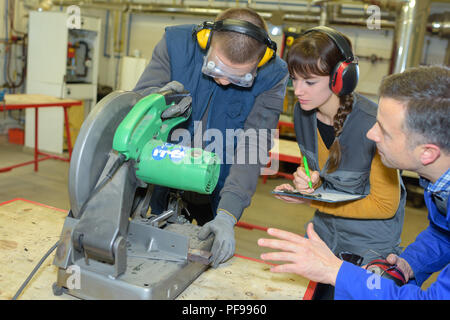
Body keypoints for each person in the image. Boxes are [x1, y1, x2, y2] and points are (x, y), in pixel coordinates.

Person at [258, 65, 450, 299]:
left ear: (428, 153)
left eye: (385, 131)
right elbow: (443, 233)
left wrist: (335, 272)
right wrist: (411, 262)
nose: (371, 134)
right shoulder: (440, 184)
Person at [132, 8, 289, 267]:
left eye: (239, 78)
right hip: (161, 178)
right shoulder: (176, 45)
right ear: (206, 41)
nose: (225, 82)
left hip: (218, 187)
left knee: (205, 261)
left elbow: (254, 146)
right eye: (217, 70)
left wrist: (228, 214)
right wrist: (159, 103)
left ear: (260, 62)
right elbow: (140, 110)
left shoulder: (273, 75)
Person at [271, 26, 406, 299]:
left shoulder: (372, 125)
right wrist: (306, 181)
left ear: (340, 79)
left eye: (309, 82)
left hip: (367, 249)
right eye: (293, 79)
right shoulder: (303, 112)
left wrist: (311, 201)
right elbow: (315, 166)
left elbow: (385, 205)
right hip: (324, 237)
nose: (297, 91)